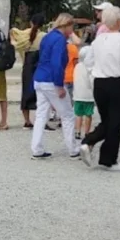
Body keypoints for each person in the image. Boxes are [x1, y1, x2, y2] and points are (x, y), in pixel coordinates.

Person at [79, 6, 120, 172]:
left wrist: (96, 72)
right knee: (115, 122)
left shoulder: (98, 40)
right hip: (118, 82)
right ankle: (108, 159)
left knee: (107, 120)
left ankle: (90, 142)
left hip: (99, 83)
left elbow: (88, 61)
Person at [30, 13, 78, 160]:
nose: (72, 30)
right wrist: (59, 85)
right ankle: (73, 149)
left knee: (41, 114)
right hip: (51, 80)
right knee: (67, 114)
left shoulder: (48, 36)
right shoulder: (59, 40)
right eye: (72, 26)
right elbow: (57, 63)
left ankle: (37, 148)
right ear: (67, 25)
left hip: (39, 78)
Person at [11, 14, 45, 128]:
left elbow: (13, 33)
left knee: (26, 92)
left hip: (28, 65)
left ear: (31, 22)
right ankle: (42, 120)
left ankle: (27, 121)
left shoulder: (24, 34)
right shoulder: (44, 36)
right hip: (40, 65)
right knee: (42, 94)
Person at [72, 41, 95, 140]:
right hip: (89, 95)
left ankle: (77, 131)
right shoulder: (91, 67)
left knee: (78, 114)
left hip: (78, 94)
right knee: (88, 115)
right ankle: (87, 132)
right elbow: (92, 80)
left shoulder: (77, 66)